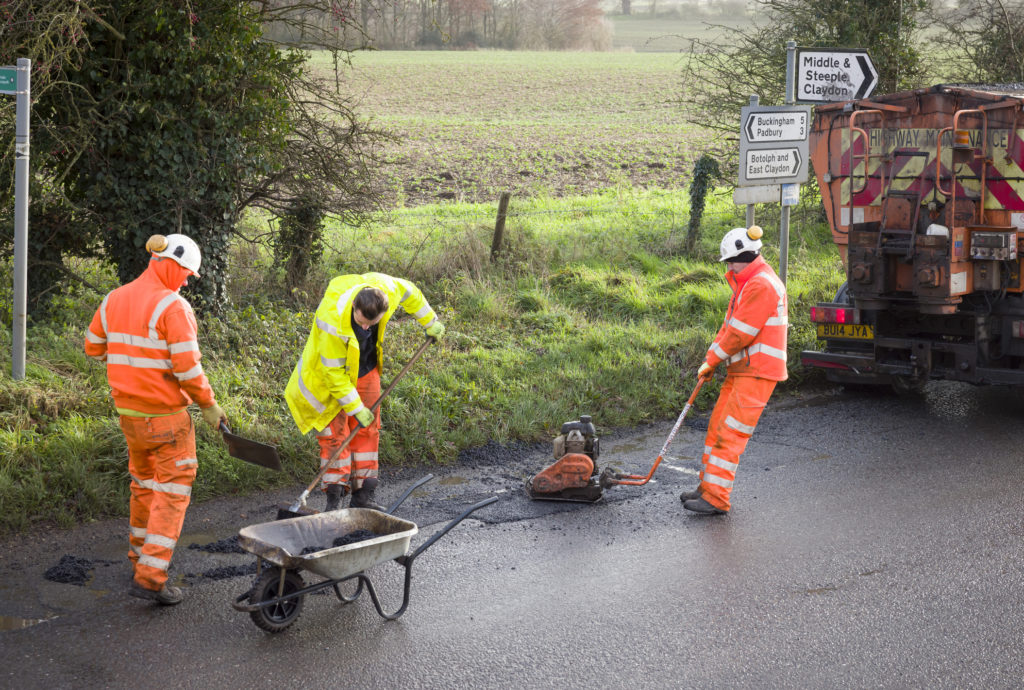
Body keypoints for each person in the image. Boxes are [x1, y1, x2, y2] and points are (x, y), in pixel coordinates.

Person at [84, 234, 227, 605]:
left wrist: (129, 371)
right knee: (173, 491)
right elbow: (188, 370)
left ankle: (138, 557)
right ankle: (150, 576)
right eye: (186, 275)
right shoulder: (173, 308)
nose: (185, 282)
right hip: (166, 419)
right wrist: (209, 406)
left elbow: (93, 346)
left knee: (143, 486)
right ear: (173, 265)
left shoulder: (114, 298)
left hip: (130, 417)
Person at [285, 273, 444, 512]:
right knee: (335, 436)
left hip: (364, 367)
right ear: (353, 306)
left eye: (372, 323)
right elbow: (335, 377)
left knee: (368, 430)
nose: (366, 327)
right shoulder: (332, 320)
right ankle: (334, 501)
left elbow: (411, 293)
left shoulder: (387, 289)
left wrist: (431, 322)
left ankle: (363, 496)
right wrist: (356, 408)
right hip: (327, 376)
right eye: (361, 323)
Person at [681, 225, 788, 516]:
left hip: (757, 373)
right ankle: (706, 488)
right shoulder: (748, 283)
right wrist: (709, 360)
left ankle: (716, 498)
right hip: (742, 370)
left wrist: (713, 360)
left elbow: (740, 334)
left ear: (744, 256)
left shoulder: (760, 284)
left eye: (730, 262)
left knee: (729, 435)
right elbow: (728, 328)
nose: (728, 267)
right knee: (716, 427)